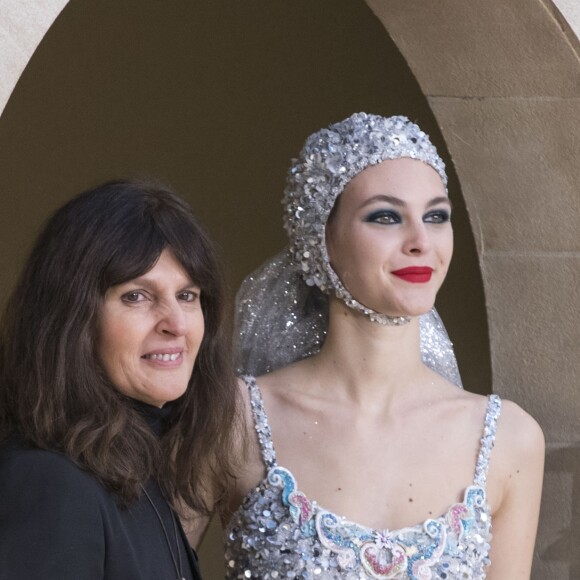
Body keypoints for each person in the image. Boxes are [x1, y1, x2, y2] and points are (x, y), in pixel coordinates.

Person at [223, 113, 544, 579]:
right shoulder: (233, 419)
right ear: (321, 240)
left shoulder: (509, 441)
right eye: (386, 217)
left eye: (436, 216)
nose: (420, 241)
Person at [0, 180, 241, 579]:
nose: (177, 324)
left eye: (188, 295)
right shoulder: (50, 483)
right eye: (136, 296)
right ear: (71, 319)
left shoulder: (137, 472)